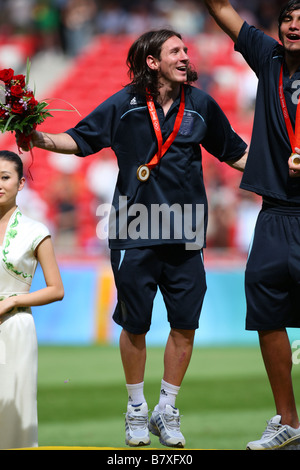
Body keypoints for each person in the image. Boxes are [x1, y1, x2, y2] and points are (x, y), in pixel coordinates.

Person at [18, 29, 247, 448]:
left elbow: (236, 153)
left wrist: (284, 171)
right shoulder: (124, 105)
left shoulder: (201, 106)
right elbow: (80, 139)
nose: (185, 56)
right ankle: (137, 408)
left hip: (186, 232)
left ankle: (168, 408)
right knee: (135, 325)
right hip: (134, 229)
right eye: (175, 51)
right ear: (152, 62)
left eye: (185, 49)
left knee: (185, 324)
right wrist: (39, 139)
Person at [204, 0, 300, 451]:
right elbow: (221, 8)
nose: (295, 26)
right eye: (288, 18)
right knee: (267, 313)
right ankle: (288, 419)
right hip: (275, 213)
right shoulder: (268, 58)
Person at [0, 150, 64, 449]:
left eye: (5, 177)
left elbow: (56, 289)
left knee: (14, 411)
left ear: (21, 183)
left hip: (15, 326)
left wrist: (11, 301)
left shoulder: (35, 231)